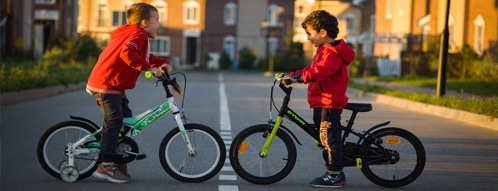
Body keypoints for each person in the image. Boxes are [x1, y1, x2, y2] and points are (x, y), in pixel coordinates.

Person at [86, 2, 172, 183]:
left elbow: (145, 57)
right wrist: (149, 68)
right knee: (115, 121)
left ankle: (118, 160)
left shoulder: (136, 34)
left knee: (126, 123)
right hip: (106, 85)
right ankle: (106, 166)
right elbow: (128, 53)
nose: (160, 23)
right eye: (157, 19)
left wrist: (163, 62)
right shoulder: (138, 33)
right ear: (144, 22)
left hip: (114, 86)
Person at [281, 10, 355, 188]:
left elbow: (319, 72)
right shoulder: (324, 51)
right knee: (325, 140)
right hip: (321, 102)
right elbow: (311, 68)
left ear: (322, 32)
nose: (308, 38)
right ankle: (336, 169)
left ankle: (335, 175)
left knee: (330, 140)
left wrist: (299, 78)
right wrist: (295, 75)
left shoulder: (333, 53)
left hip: (329, 104)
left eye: (309, 33)